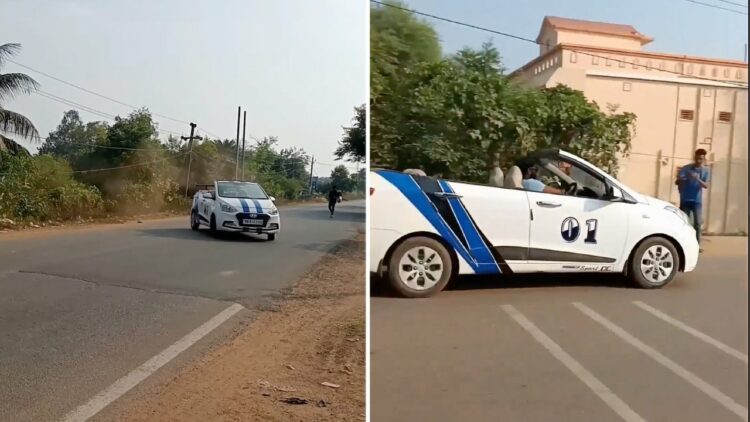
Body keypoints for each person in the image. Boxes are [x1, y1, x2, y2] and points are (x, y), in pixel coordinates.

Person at [677, 149, 710, 249]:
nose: (699, 160)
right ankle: (683, 244)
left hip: (697, 201)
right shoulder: (686, 168)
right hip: (685, 199)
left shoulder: (705, 171)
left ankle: (696, 246)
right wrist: (683, 179)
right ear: (694, 157)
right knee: (684, 223)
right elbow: (678, 181)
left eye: (701, 159)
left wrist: (697, 179)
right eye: (697, 158)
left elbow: (706, 185)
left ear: (704, 159)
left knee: (698, 223)